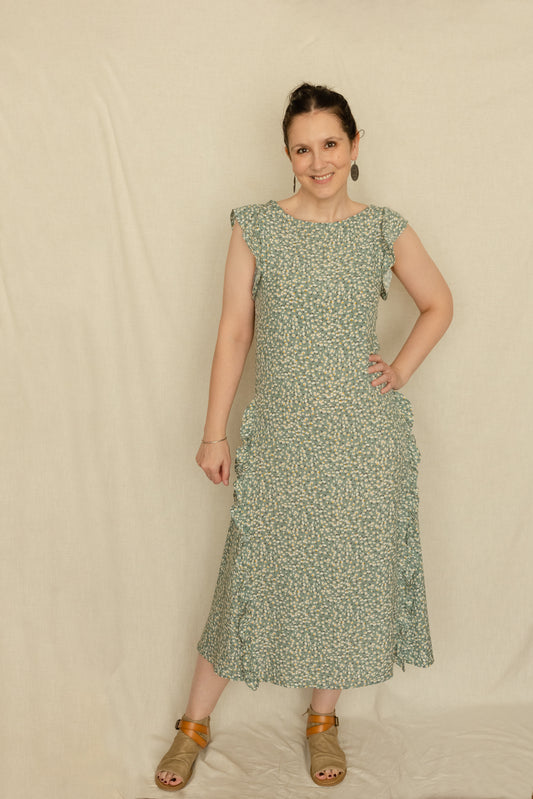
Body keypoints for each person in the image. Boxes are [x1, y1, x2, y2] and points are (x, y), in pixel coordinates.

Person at [154, 82, 453, 791]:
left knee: (344, 579)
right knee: (250, 577)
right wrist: (213, 433)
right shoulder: (256, 225)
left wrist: (400, 368)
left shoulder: (383, 226)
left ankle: (323, 722)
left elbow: (439, 303)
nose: (316, 160)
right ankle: (191, 728)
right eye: (301, 147)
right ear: (286, 154)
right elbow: (234, 331)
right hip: (282, 433)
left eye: (329, 144)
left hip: (362, 438)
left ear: (353, 147)